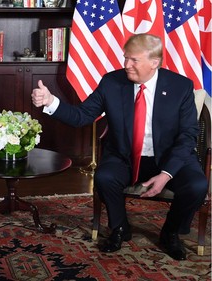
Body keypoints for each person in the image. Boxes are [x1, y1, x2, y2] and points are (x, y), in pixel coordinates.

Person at [31, 33, 208, 261]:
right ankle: (120, 227)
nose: (126, 65)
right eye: (125, 58)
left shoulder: (180, 86)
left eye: (134, 60)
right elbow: (82, 116)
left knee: (197, 185)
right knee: (105, 177)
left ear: (154, 62)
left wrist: (166, 174)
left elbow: (187, 136)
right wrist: (50, 102)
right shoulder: (112, 82)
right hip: (125, 156)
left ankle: (170, 232)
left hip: (168, 157)